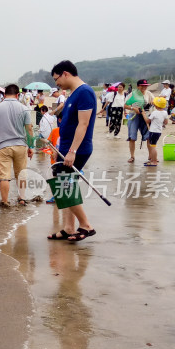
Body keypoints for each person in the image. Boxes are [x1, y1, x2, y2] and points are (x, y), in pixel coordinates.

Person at [47, 60, 97, 242]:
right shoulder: (73, 93)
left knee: (64, 187)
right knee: (67, 185)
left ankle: (85, 225)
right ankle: (69, 228)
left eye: (56, 79)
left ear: (65, 73)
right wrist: (59, 147)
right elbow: (68, 124)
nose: (56, 83)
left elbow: (83, 124)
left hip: (77, 149)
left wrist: (72, 151)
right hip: (66, 148)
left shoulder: (84, 92)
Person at [0, 84, 34, 207]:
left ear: (4, 95)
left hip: (3, 146)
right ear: (18, 95)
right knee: (21, 173)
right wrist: (31, 146)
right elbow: (29, 129)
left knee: (4, 176)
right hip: (20, 145)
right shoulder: (24, 108)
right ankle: (21, 198)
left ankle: (5, 201)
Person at [125, 79, 154, 164]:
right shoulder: (132, 94)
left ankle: (150, 155)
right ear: (138, 86)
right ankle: (132, 156)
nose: (144, 87)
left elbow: (155, 102)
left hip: (146, 115)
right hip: (134, 115)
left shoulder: (149, 94)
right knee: (132, 137)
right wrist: (133, 108)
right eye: (142, 86)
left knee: (149, 136)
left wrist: (153, 102)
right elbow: (125, 105)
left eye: (145, 86)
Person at [143, 97, 169, 166]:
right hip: (159, 132)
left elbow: (147, 121)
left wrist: (143, 114)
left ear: (156, 105)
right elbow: (166, 122)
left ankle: (154, 161)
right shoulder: (165, 113)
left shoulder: (154, 112)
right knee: (153, 145)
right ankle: (152, 159)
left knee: (153, 146)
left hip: (153, 131)